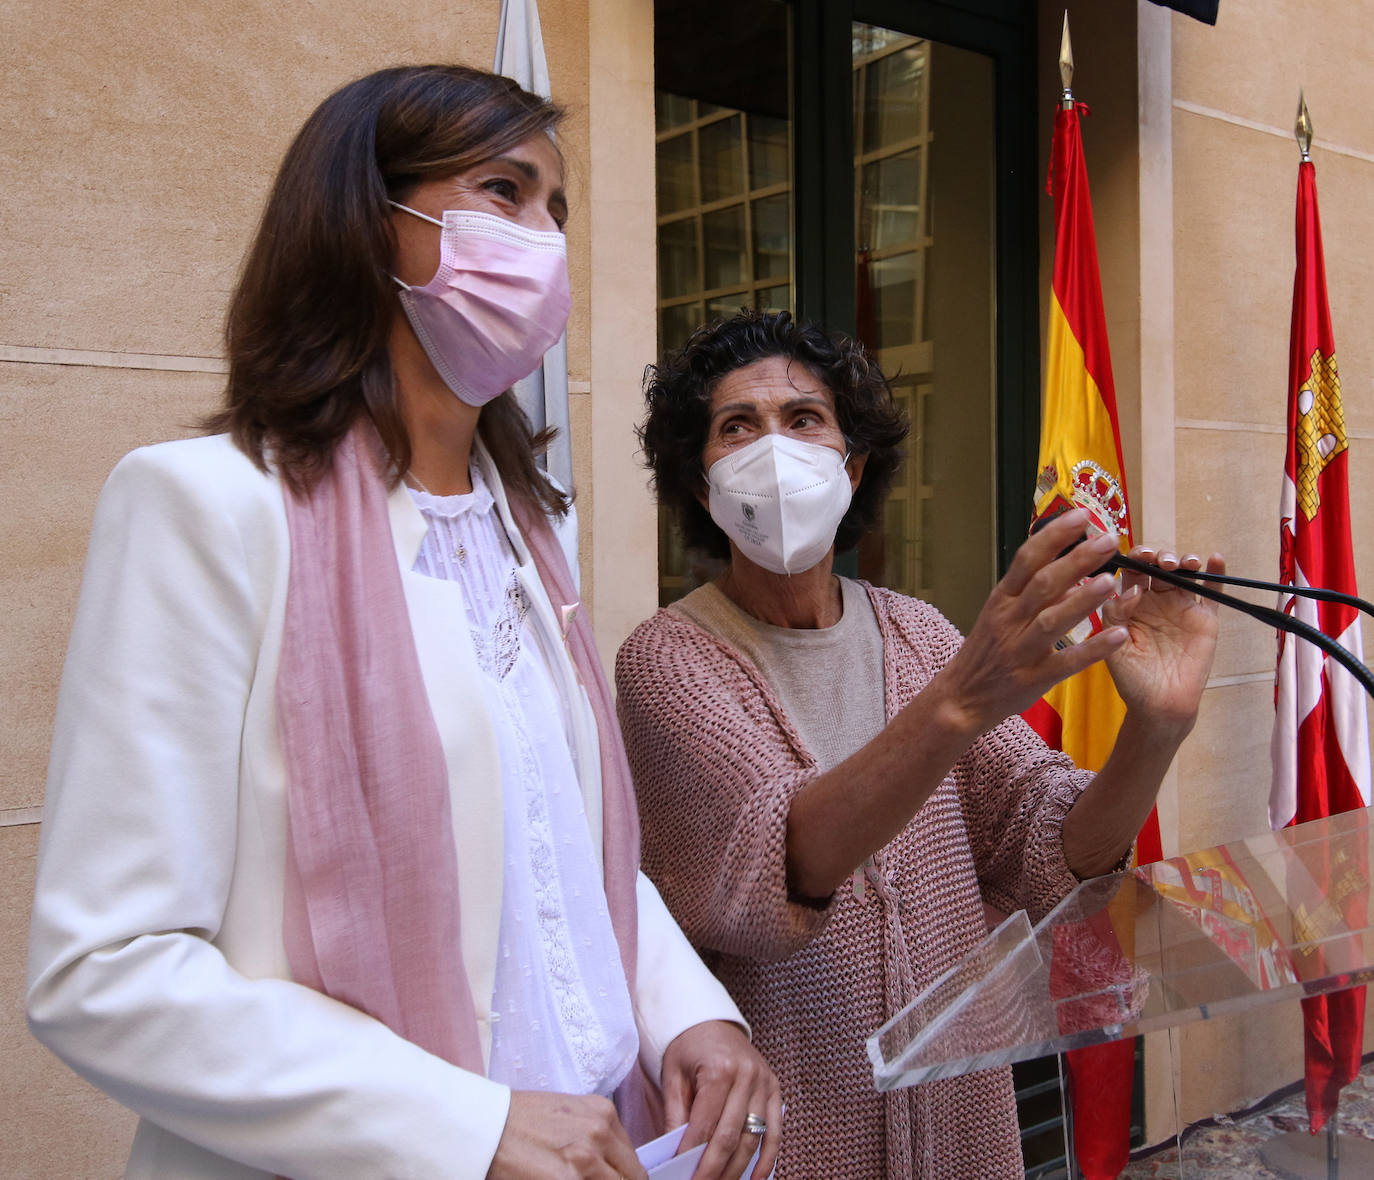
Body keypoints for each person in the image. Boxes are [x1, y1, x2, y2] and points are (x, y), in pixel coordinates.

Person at [26, 66, 782, 1180]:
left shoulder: (532, 536)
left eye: (557, 209)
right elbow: (105, 969)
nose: (542, 242)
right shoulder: (207, 507)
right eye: (502, 192)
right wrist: (462, 1126)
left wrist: (690, 1015)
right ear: (368, 225)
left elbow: (565, 851)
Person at [615, 310, 1224, 1179]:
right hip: (788, 1140)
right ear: (700, 482)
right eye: (736, 427)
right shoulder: (665, 659)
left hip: (961, 1124)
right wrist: (958, 702)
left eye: (804, 419)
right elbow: (778, 864)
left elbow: (1052, 849)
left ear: (852, 467)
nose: (773, 448)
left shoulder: (917, 631)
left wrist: (1156, 729)